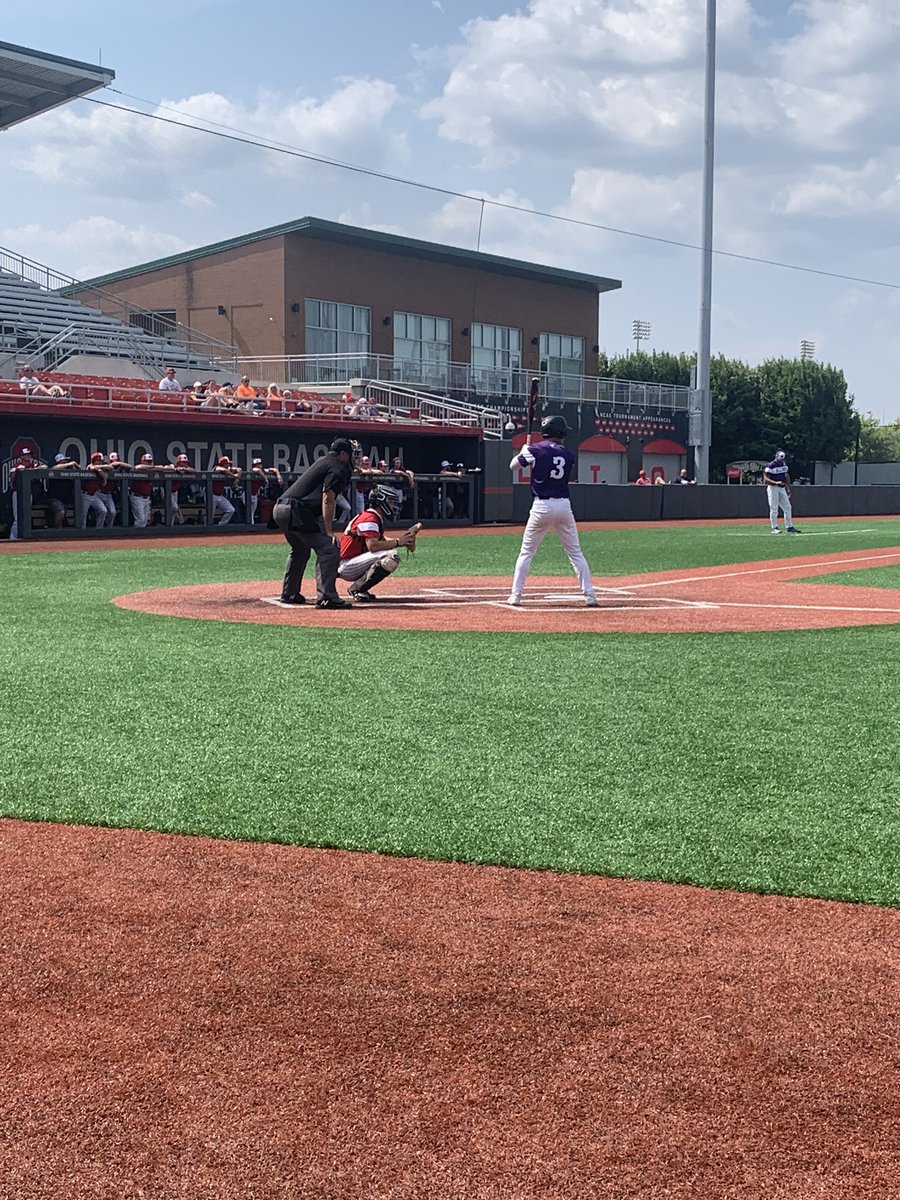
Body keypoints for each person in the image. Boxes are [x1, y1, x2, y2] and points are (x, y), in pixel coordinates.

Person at [507, 414, 597, 608]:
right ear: (560, 433)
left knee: (527, 552)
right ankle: (589, 594)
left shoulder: (535, 450)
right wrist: (528, 452)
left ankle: (516, 595)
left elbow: (513, 466)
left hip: (542, 506)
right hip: (564, 506)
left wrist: (523, 451)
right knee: (575, 552)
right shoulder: (568, 454)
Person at [272, 437, 356, 608]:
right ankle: (327, 597)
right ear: (343, 454)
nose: (353, 458)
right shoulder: (338, 467)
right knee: (329, 547)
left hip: (280, 509)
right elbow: (328, 498)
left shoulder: (324, 461)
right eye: (351, 454)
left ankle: (289, 593)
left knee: (300, 549)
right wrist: (329, 531)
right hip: (294, 511)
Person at [337, 484, 420, 602]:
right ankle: (358, 589)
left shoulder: (372, 517)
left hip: (351, 561)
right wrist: (398, 542)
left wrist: (403, 540)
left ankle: (360, 588)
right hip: (346, 564)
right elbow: (373, 546)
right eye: (391, 502)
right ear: (382, 502)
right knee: (391, 556)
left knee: (389, 553)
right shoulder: (369, 518)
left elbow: (381, 540)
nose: (393, 506)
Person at [7, 446, 46, 538]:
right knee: (17, 518)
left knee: (27, 516)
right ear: (22, 456)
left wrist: (34, 469)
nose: (29, 456)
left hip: (29, 493)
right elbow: (13, 477)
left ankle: (25, 537)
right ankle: (12, 538)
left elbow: (44, 467)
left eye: (29, 454)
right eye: (26, 455)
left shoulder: (32, 465)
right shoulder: (16, 465)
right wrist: (21, 470)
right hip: (18, 493)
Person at [764, 450, 801, 533]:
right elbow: (765, 479)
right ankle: (774, 528)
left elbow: (786, 476)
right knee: (774, 508)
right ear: (776, 457)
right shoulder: (771, 465)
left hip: (781, 488)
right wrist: (775, 482)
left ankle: (789, 527)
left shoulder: (783, 464)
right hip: (773, 487)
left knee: (787, 507)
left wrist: (789, 488)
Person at [249, 458, 283, 523]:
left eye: (259, 464)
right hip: (247, 494)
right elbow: (257, 470)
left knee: (252, 513)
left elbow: (274, 469)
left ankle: (251, 525)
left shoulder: (263, 470)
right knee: (248, 512)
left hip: (254, 495)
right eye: (257, 464)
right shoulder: (253, 470)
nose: (259, 465)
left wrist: (278, 476)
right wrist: (265, 478)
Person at [81, 452, 111, 528]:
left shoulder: (102, 468)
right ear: (94, 460)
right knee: (83, 514)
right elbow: (95, 468)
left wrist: (103, 470)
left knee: (103, 510)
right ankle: (82, 532)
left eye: (101, 460)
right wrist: (104, 479)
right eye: (98, 460)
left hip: (94, 495)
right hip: (85, 494)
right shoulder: (89, 466)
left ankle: (99, 529)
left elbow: (110, 467)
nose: (100, 462)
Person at [129, 453, 157, 527]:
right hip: (137, 497)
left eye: (150, 461)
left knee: (145, 520)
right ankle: (135, 536)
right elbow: (138, 467)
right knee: (140, 519)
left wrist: (152, 467)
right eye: (147, 461)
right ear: (143, 461)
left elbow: (163, 468)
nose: (149, 463)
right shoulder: (139, 468)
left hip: (146, 498)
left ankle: (140, 537)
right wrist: (151, 467)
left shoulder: (152, 469)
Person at [211, 456, 240, 524]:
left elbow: (239, 469)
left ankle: (221, 524)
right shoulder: (217, 468)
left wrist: (237, 479)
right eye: (227, 464)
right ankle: (205, 529)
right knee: (210, 514)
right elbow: (224, 470)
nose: (229, 465)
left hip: (220, 496)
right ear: (223, 464)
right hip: (211, 495)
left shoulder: (228, 470)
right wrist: (234, 475)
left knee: (231, 510)